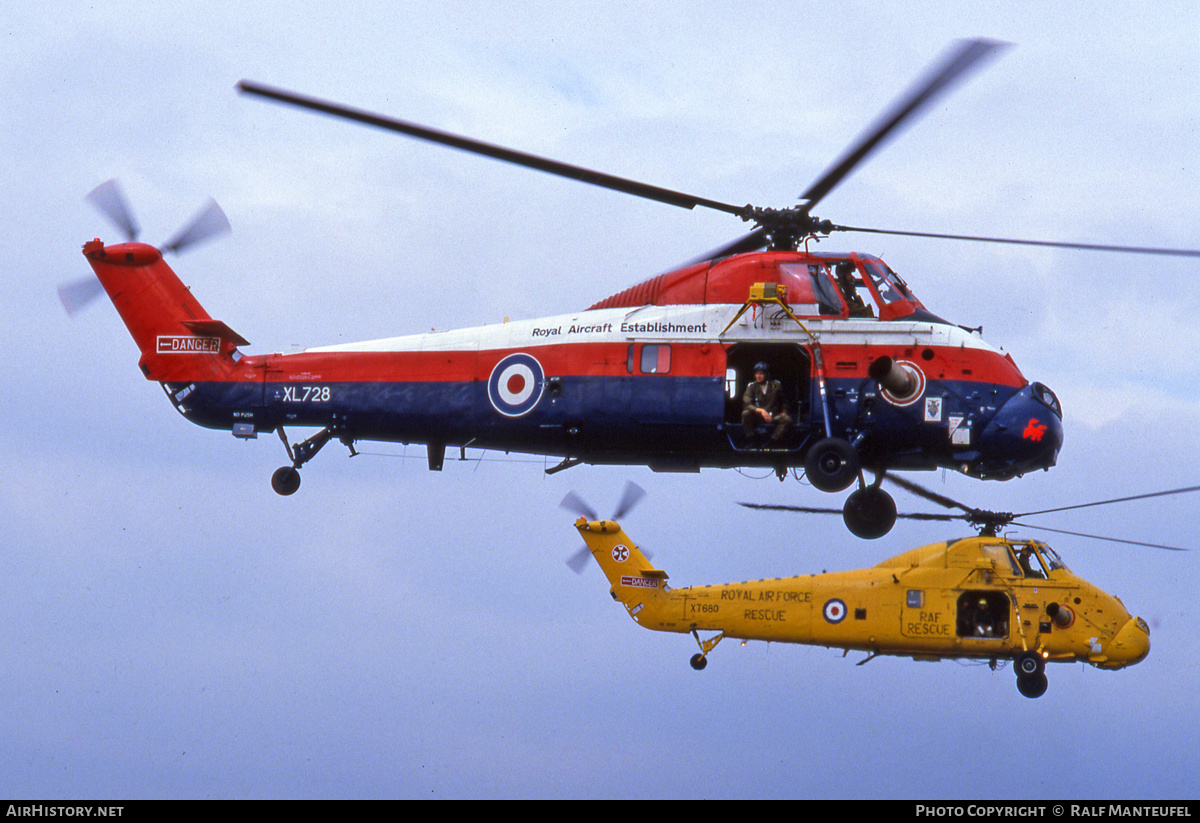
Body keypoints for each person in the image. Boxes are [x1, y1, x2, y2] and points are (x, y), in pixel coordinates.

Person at [741, 362, 791, 446]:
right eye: (756, 373)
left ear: (766, 375)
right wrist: (760, 411)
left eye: (761, 373)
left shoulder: (776, 385)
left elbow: (784, 401)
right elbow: (747, 402)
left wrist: (784, 411)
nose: (758, 376)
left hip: (773, 415)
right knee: (745, 413)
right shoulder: (751, 386)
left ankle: (773, 441)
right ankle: (752, 439)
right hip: (757, 416)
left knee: (787, 419)